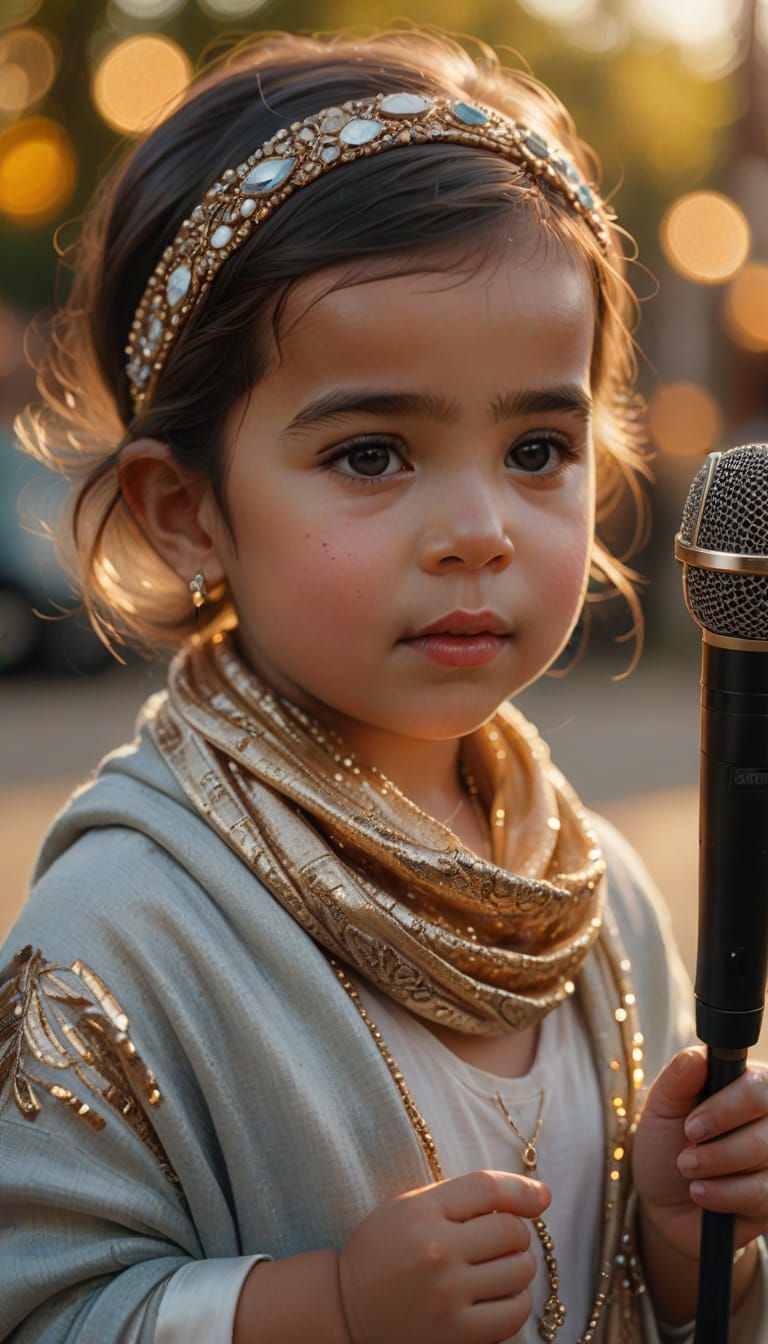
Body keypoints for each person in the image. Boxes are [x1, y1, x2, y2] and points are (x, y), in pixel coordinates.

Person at [1, 24, 766, 1344]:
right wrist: (328, 1308)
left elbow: (629, 1299)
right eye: (371, 454)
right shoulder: (121, 928)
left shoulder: (590, 887)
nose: (479, 526)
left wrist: (685, 1240)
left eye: (538, 444)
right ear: (183, 512)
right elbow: (44, 1304)